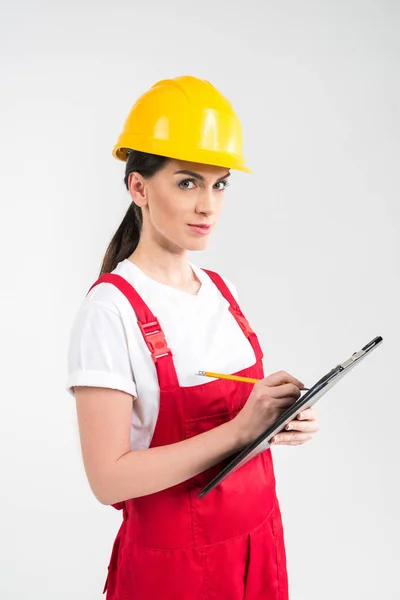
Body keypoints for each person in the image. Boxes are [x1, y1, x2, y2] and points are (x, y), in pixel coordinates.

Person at [66, 75, 319, 599]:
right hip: (175, 573)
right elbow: (107, 480)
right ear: (138, 187)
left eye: (219, 183)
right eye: (187, 182)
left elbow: (240, 419)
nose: (209, 205)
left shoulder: (218, 291)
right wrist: (239, 431)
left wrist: (273, 420)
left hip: (258, 549)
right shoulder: (110, 310)